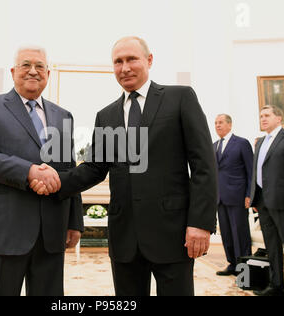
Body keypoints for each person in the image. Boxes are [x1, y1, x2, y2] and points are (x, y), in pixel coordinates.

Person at [31, 36, 217, 296]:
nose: (125, 67)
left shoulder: (180, 98)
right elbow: (94, 168)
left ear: (149, 60)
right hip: (125, 237)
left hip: (173, 232)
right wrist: (55, 182)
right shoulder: (106, 115)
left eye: (132, 59)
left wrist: (201, 223)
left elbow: (204, 165)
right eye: (118, 62)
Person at [0, 46, 83, 296]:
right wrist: (30, 172)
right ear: (13, 71)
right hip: (3, 232)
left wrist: (74, 221)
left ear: (48, 73)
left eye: (40, 66)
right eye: (25, 65)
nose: (33, 71)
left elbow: (68, 169)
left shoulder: (63, 116)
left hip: (51, 233)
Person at [249, 105, 284, 296]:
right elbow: (256, 171)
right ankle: (276, 285)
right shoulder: (260, 142)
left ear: (279, 118)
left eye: (267, 115)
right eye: (260, 116)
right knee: (272, 246)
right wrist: (254, 198)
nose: (263, 119)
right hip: (263, 202)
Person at [214, 114, 253, 276]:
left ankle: (244, 267)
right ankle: (232, 263)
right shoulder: (214, 145)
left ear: (229, 124)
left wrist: (249, 195)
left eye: (221, 122)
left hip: (238, 196)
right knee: (226, 233)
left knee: (240, 233)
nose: (217, 125)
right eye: (216, 123)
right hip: (220, 198)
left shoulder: (242, 143)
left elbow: (251, 171)